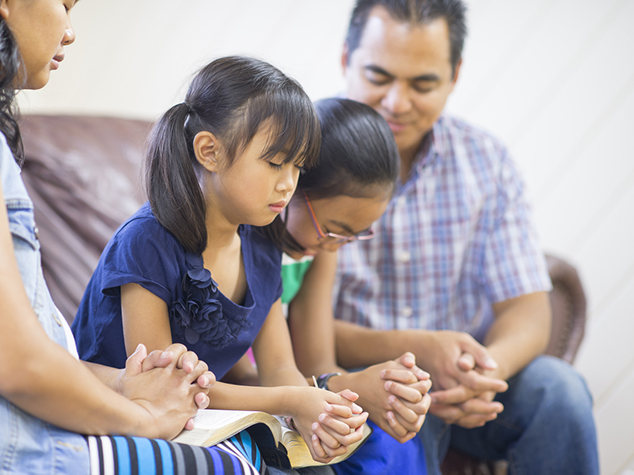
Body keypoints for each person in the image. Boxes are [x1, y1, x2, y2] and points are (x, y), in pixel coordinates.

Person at [0, 1, 275, 474]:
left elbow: (36, 348)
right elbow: (16, 363)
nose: (69, 32)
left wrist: (127, 387)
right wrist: (141, 418)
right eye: (64, 5)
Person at [331, 1, 600, 474]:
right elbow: (291, 328)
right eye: (378, 77)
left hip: (460, 383)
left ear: (454, 75)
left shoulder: (485, 162)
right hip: (361, 381)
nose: (397, 102)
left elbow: (527, 309)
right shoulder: (306, 156)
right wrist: (423, 349)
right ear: (345, 60)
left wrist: (480, 374)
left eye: (423, 83)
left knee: (559, 391)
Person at [71, 56, 369, 470]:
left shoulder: (263, 245)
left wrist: (321, 414)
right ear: (209, 151)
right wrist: (290, 399)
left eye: (298, 166)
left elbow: (279, 365)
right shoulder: (148, 240)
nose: (289, 183)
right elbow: (162, 387)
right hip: (117, 416)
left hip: (200, 420)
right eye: (275, 162)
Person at [225, 97, 433, 475]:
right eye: (334, 229)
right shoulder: (240, 247)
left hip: (288, 387)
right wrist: (341, 389)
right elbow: (237, 373)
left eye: (354, 236)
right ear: (290, 183)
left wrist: (373, 390)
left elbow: (315, 361)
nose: (335, 245)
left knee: (391, 442)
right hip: (243, 395)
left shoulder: (321, 248)